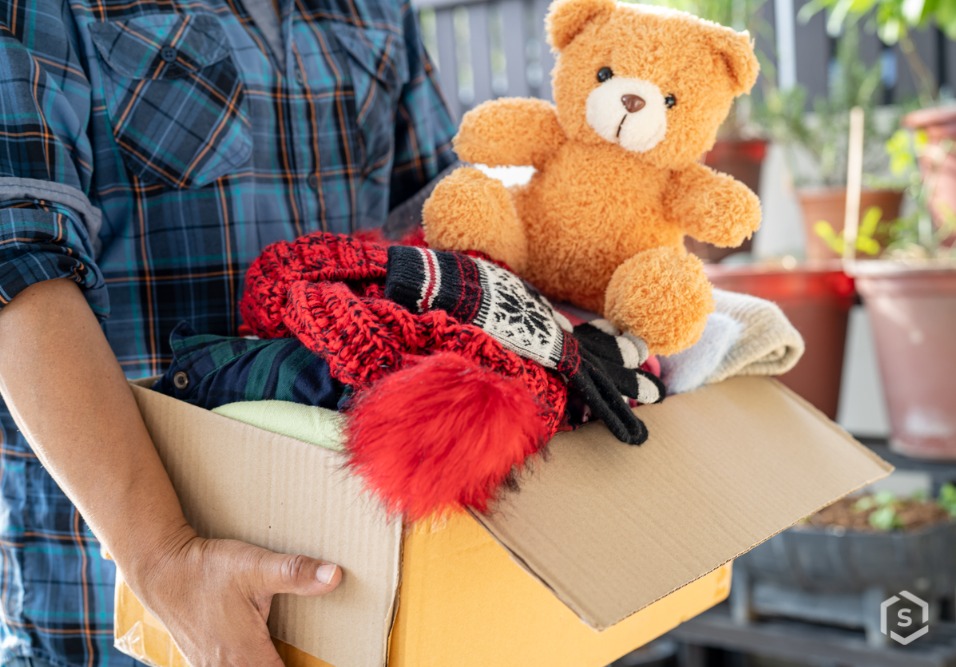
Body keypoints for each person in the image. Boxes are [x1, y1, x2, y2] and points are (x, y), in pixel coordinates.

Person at [0, 0, 457, 664]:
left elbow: (435, 221)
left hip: (349, 581)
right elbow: (16, 259)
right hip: (116, 601)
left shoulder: (378, 9)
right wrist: (165, 557)